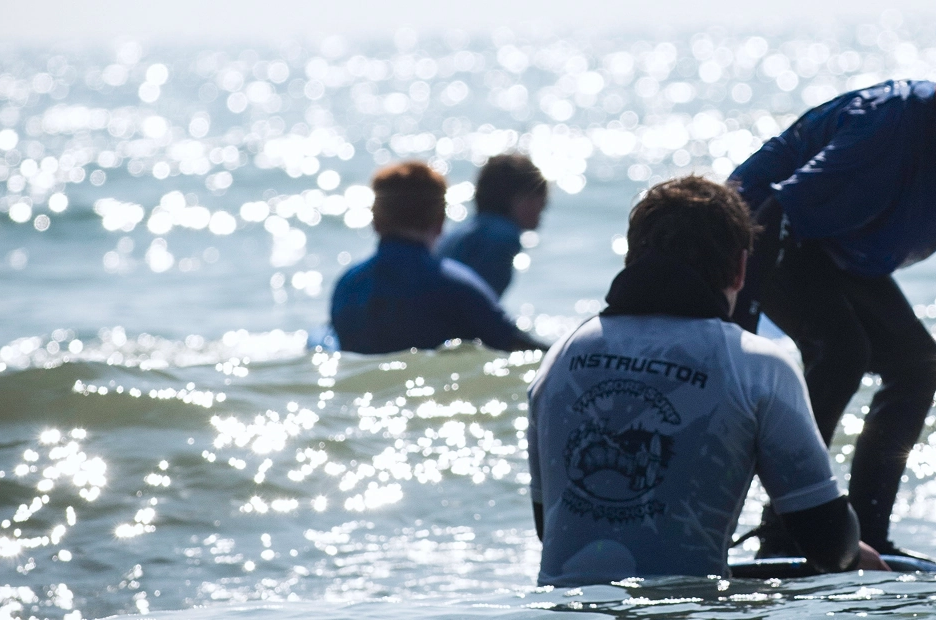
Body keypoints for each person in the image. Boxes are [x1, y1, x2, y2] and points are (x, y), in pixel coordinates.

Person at [726, 31, 936, 558]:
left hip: (839, 250)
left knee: (918, 363)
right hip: (762, 236)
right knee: (842, 351)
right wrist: (733, 331)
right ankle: (785, 531)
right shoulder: (887, 125)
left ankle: (870, 535)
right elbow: (775, 213)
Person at [526, 176, 882, 586]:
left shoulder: (561, 357)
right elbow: (827, 545)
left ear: (631, 257)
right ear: (741, 267)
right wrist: (854, 551)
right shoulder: (757, 365)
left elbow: (550, 526)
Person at [329, 161, 544, 354]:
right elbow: (513, 343)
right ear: (440, 221)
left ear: (375, 221)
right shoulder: (458, 286)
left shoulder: (347, 285)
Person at [438, 153, 547, 309]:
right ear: (520, 199)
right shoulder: (502, 237)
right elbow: (479, 309)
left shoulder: (465, 230)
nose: (544, 205)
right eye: (539, 195)